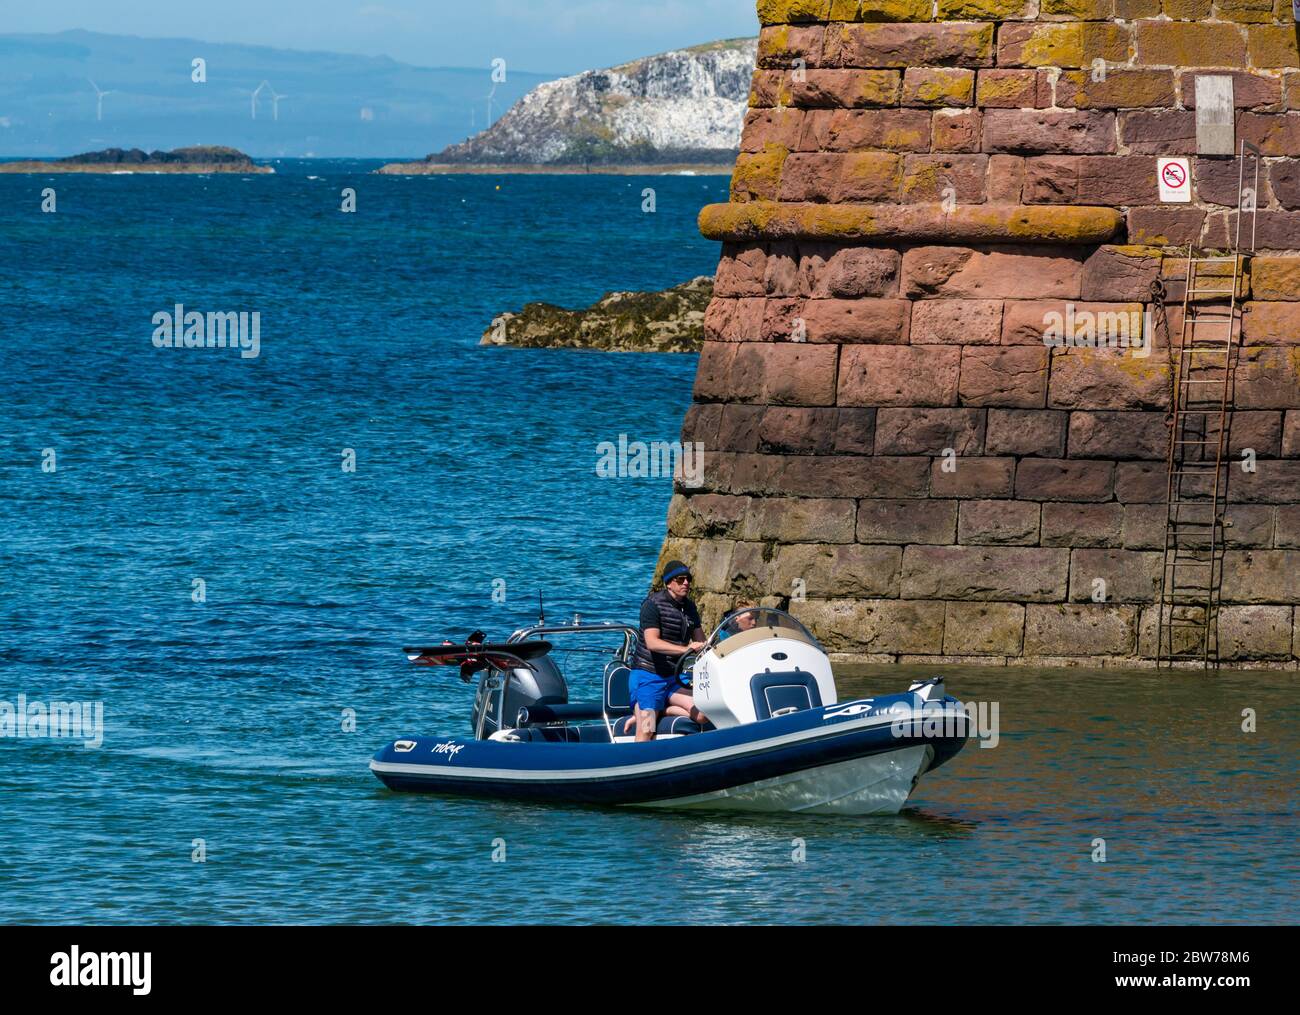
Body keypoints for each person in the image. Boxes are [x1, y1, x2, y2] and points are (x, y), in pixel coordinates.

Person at [625, 559, 709, 741]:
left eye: (688, 579)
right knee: (647, 728)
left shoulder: (689, 606)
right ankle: (638, 764)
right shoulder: (652, 605)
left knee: (703, 713)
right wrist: (685, 649)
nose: (686, 583)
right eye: (680, 580)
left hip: (674, 677)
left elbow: (701, 641)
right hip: (648, 676)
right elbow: (652, 643)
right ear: (669, 583)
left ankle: (661, 708)